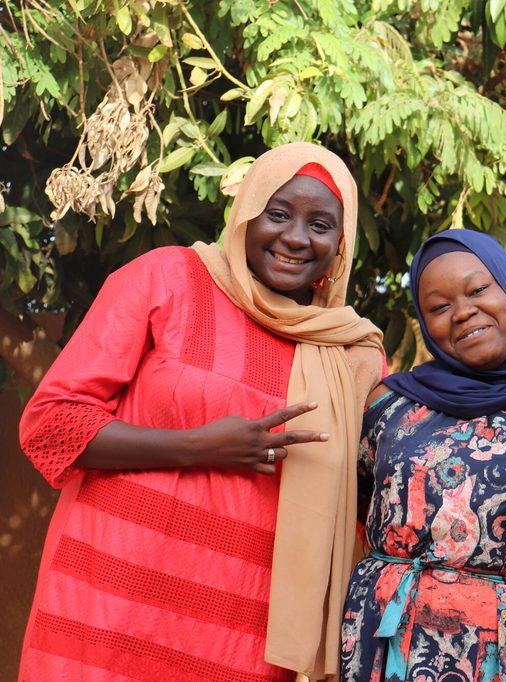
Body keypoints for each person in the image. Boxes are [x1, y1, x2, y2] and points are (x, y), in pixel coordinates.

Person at [18, 142, 384, 681]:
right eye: (277, 213)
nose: (295, 238)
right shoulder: (169, 277)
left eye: (320, 224)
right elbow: (52, 423)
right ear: (245, 215)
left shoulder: (350, 355)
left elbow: (386, 488)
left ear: (340, 244)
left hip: (241, 637)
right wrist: (198, 446)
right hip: (103, 606)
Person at [339, 229, 506, 681]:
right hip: (383, 642)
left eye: (479, 289)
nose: (463, 312)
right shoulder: (389, 404)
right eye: (439, 307)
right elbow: (351, 510)